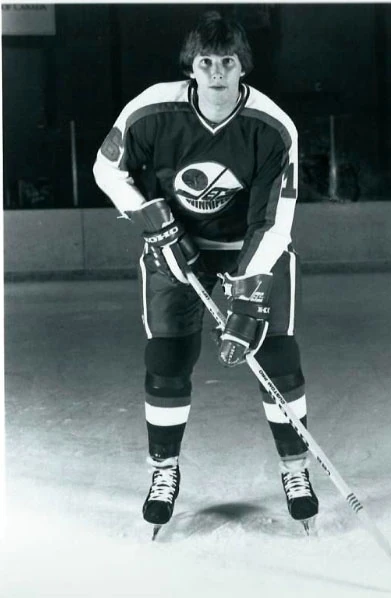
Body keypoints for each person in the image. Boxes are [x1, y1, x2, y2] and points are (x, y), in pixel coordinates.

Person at [93, 10, 319, 534]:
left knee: (278, 358)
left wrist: (247, 295)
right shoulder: (151, 110)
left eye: (228, 62)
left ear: (244, 67)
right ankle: (163, 470)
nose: (217, 72)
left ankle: (296, 469)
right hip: (176, 244)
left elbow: (275, 222)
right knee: (167, 360)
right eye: (206, 62)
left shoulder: (272, 126)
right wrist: (152, 222)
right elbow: (108, 168)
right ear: (190, 67)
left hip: (250, 248)